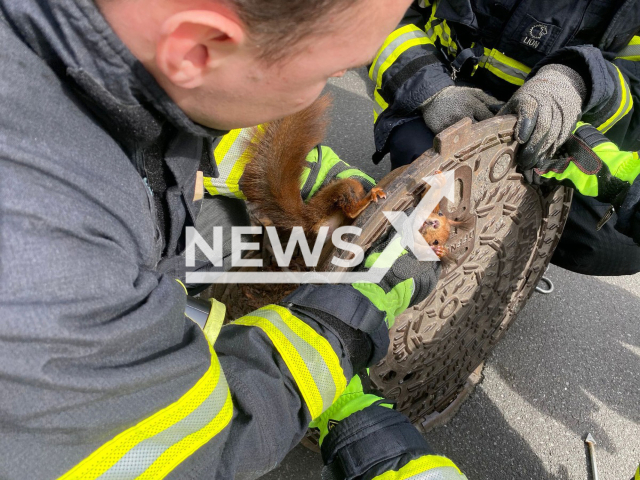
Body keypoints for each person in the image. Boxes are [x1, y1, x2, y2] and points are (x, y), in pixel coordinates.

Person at [0, 0, 468, 479]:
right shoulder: (43, 259)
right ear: (199, 47)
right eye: (327, 71)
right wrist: (348, 317)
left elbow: (239, 136)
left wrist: (328, 186)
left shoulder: (128, 60)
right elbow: (188, 446)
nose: (343, 76)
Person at [369, 0, 640, 275]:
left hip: (556, 118)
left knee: (614, 245)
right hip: (449, 88)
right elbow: (374, 10)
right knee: (432, 178)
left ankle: (499, 248)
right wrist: (431, 91)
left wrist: (578, 82)